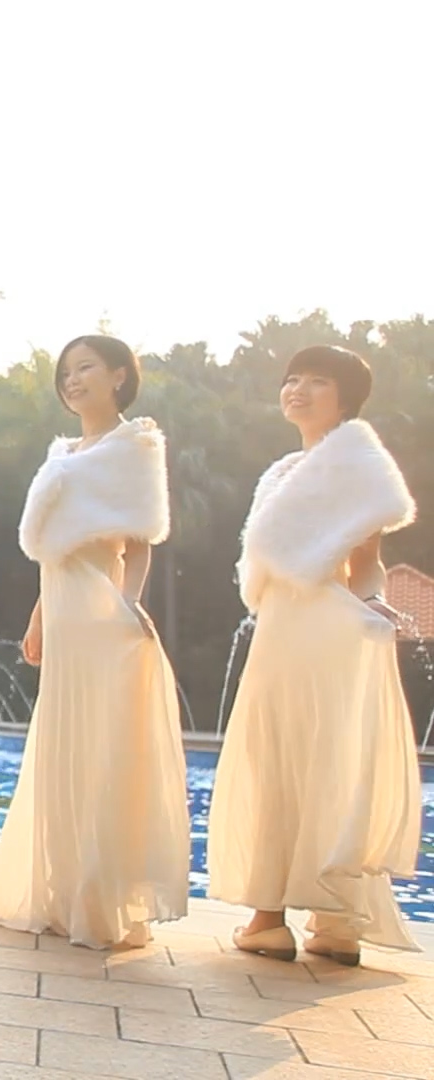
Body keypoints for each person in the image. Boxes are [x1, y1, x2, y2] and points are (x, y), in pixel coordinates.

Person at [0, 334, 188, 949]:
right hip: (61, 609)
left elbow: (138, 542)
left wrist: (128, 604)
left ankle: (101, 898)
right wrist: (37, 620)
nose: (73, 379)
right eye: (66, 372)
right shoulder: (62, 452)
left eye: (86, 368)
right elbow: (55, 554)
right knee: (62, 746)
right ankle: (61, 893)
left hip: (100, 613)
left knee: (102, 749)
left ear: (119, 376)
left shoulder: (135, 445)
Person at [209, 345, 420, 967]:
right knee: (280, 755)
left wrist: (370, 604)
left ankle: (320, 919)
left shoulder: (358, 459)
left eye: (317, 380)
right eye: (292, 379)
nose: (298, 389)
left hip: (327, 627)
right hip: (281, 627)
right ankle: (285, 918)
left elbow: (367, 560)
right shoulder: (280, 472)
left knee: (322, 759)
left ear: (346, 396)